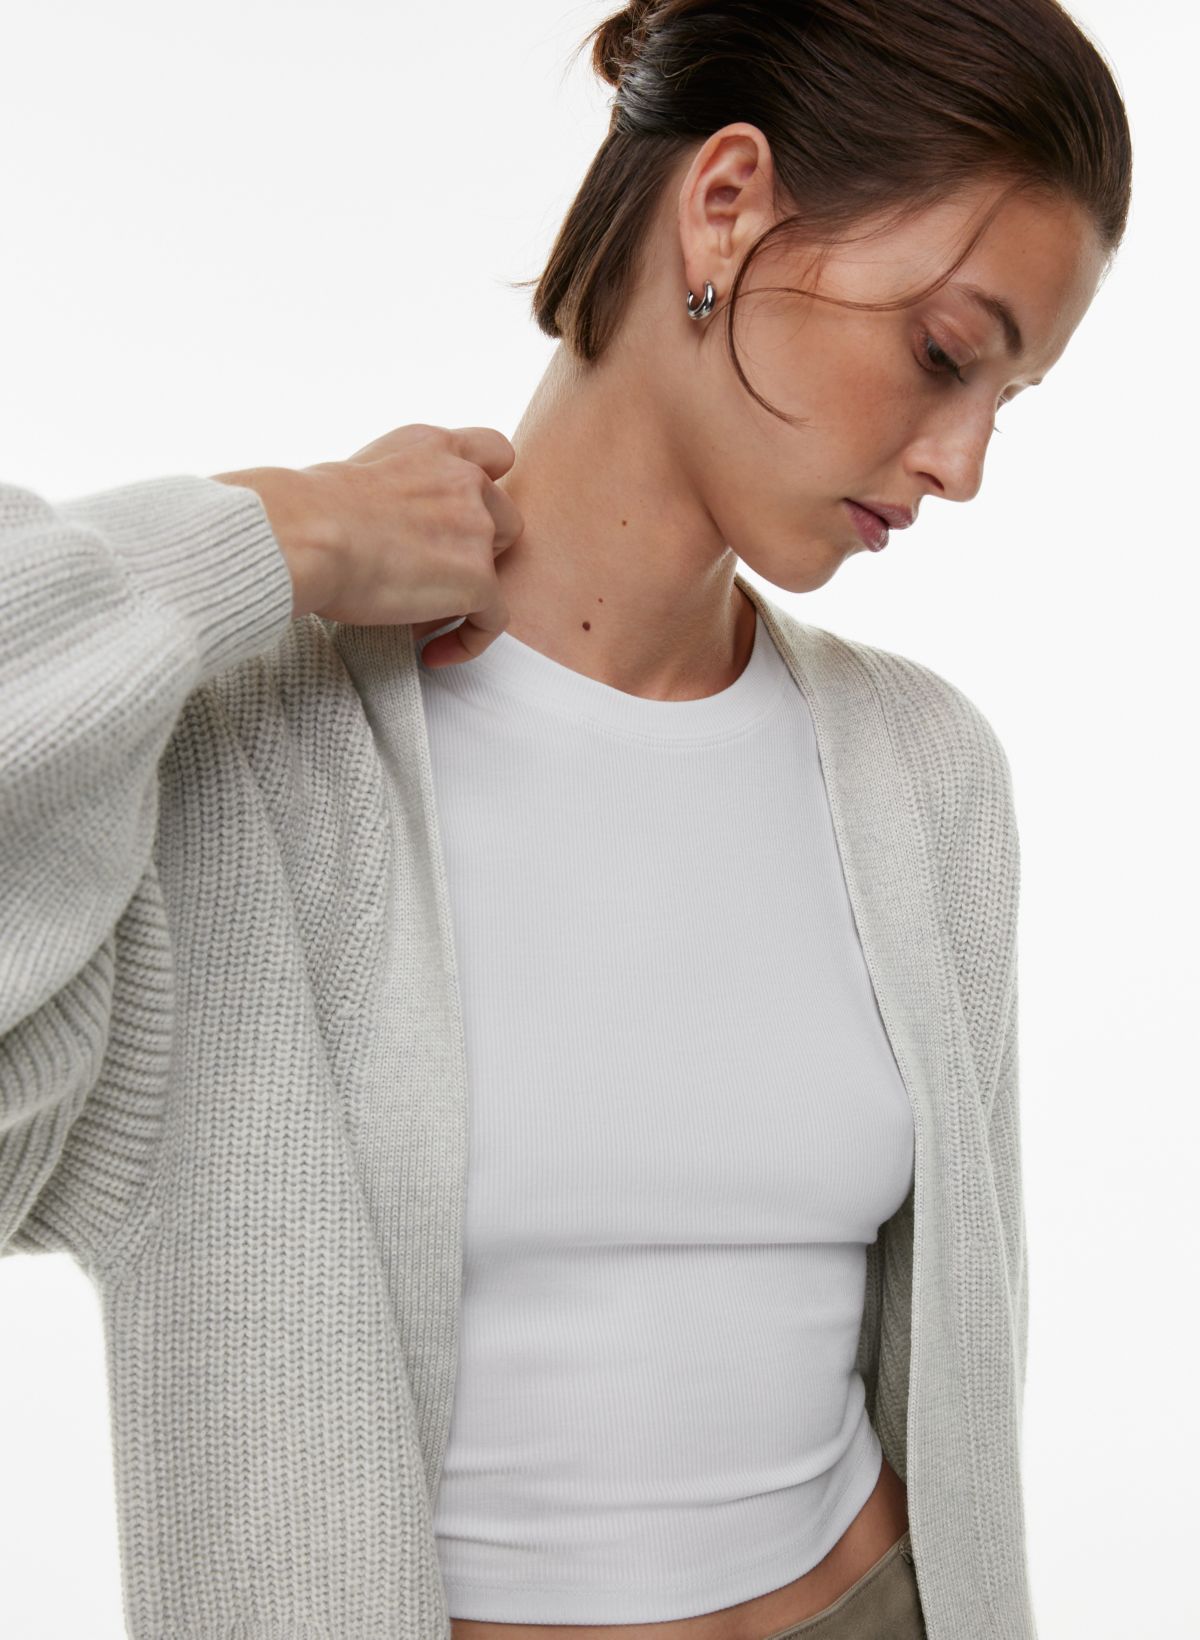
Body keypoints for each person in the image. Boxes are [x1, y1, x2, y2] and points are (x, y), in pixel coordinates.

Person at [0, 3, 1131, 1639]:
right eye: (948, 352)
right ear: (727, 202)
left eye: (1007, 402)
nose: (960, 461)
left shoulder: (928, 777)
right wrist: (267, 538)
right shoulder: (249, 773)